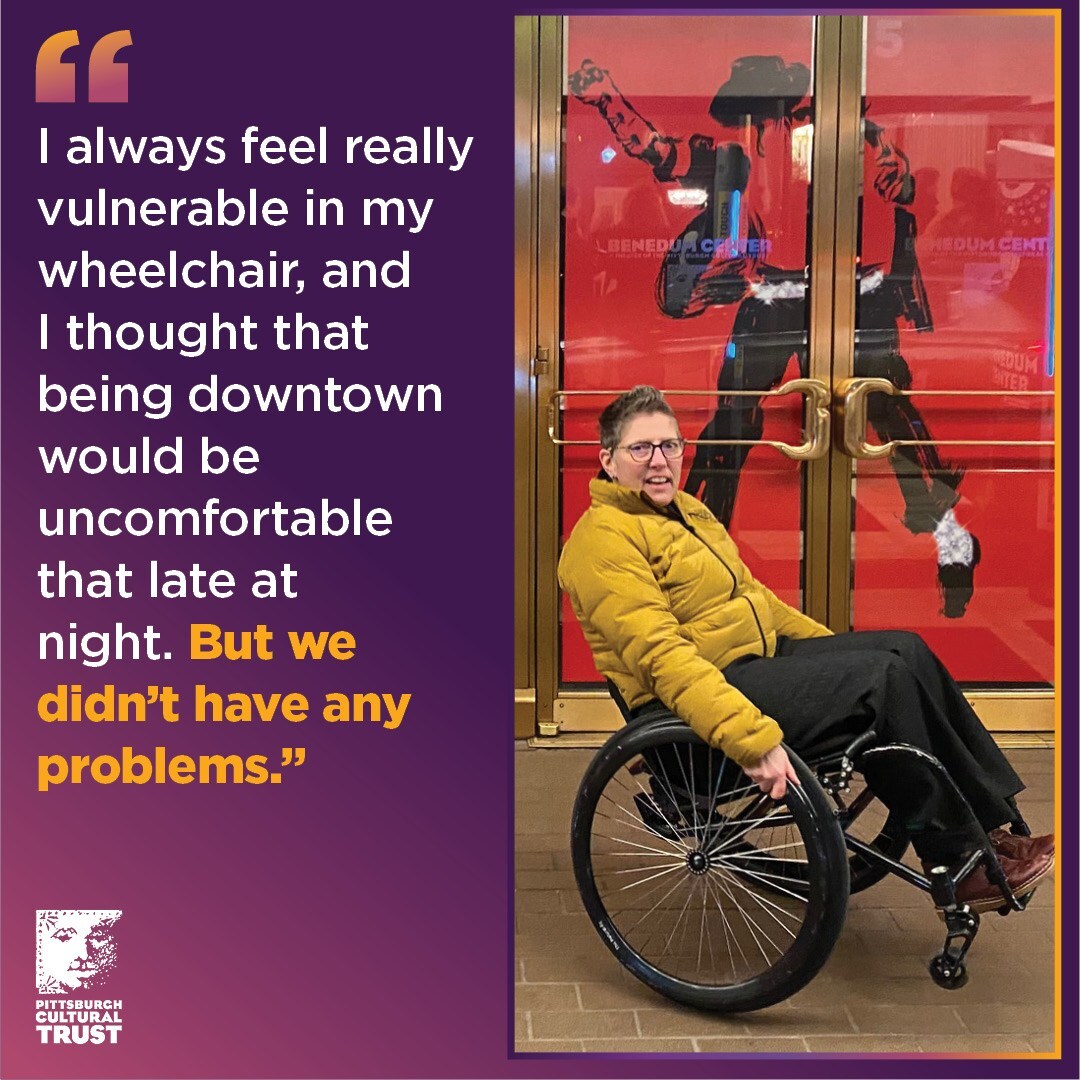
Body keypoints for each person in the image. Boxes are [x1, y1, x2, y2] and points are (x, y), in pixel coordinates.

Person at [557, 386, 1053, 910]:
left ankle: (995, 825)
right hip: (703, 703)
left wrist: (841, 656)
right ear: (608, 459)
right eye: (641, 449)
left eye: (670, 446)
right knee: (882, 684)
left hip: (751, 665)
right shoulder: (602, 544)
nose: (659, 462)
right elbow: (665, 661)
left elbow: (757, 602)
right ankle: (957, 860)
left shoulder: (686, 511)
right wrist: (752, 741)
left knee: (905, 652)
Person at [568, 56, 980, 617]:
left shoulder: (850, 144)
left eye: (762, 112)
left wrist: (877, 164)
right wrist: (608, 99)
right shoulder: (737, 159)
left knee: (886, 408)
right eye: (749, 115)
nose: (757, 126)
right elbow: (660, 149)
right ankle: (695, 548)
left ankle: (950, 536)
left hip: (854, 297)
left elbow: (903, 185)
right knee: (732, 417)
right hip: (773, 299)